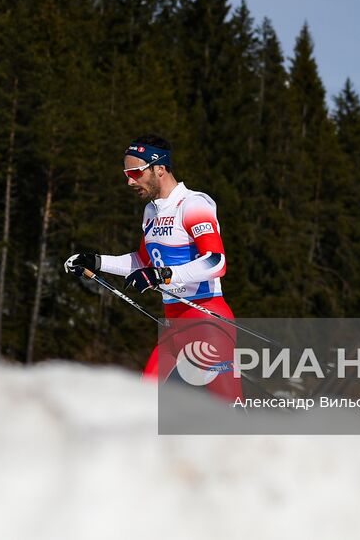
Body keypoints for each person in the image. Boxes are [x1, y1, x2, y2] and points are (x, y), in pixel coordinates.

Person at [65, 135, 241, 400]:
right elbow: (143, 262)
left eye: (135, 172)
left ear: (160, 168)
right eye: (127, 173)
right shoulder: (151, 212)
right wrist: (97, 261)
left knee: (232, 412)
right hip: (173, 325)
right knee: (144, 406)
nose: (129, 181)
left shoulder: (193, 204)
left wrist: (164, 275)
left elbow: (216, 262)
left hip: (207, 320)